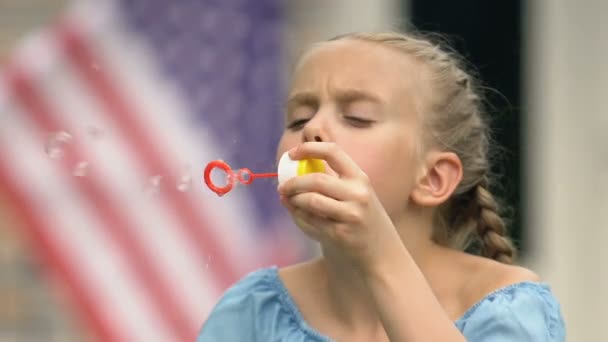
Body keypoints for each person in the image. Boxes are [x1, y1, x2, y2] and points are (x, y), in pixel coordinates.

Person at [198, 31, 565, 341]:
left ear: (433, 179)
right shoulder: (253, 311)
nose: (312, 130)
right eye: (299, 119)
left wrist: (379, 254)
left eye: (358, 118)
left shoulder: (507, 305)